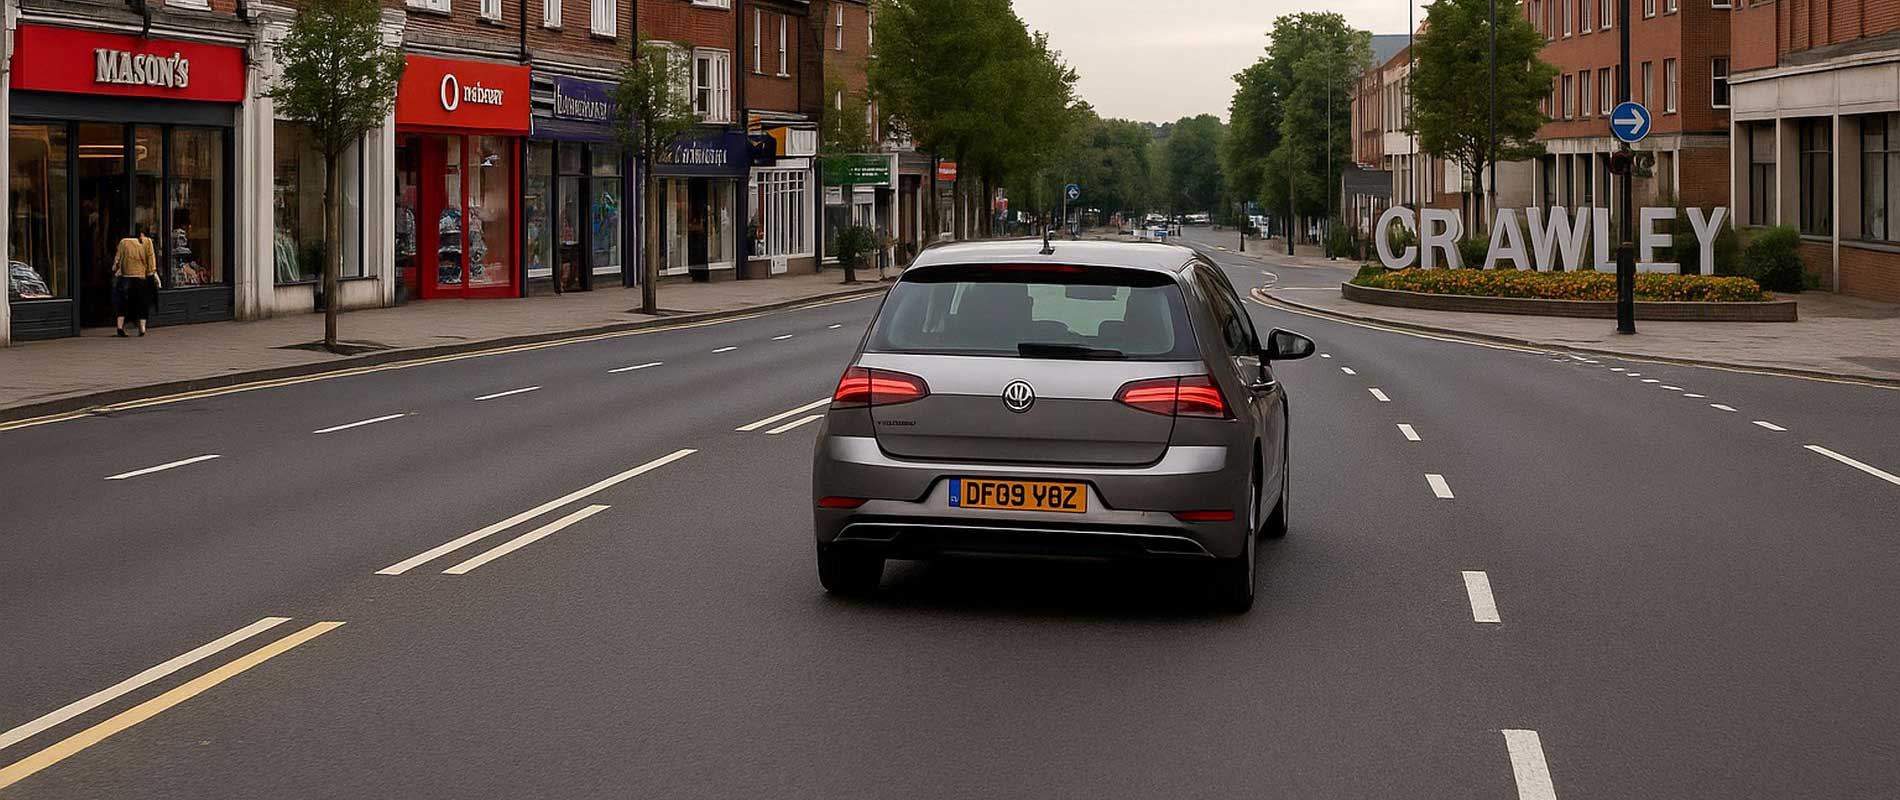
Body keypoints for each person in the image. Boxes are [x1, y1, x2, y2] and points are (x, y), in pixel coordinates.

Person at [112, 226, 159, 337]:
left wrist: (116, 268)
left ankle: (120, 327)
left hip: (126, 276)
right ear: (142, 234)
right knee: (142, 302)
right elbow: (151, 259)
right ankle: (142, 328)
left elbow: (117, 259)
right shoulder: (147, 241)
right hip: (141, 276)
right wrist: (151, 273)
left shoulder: (123, 242)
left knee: (123, 302)